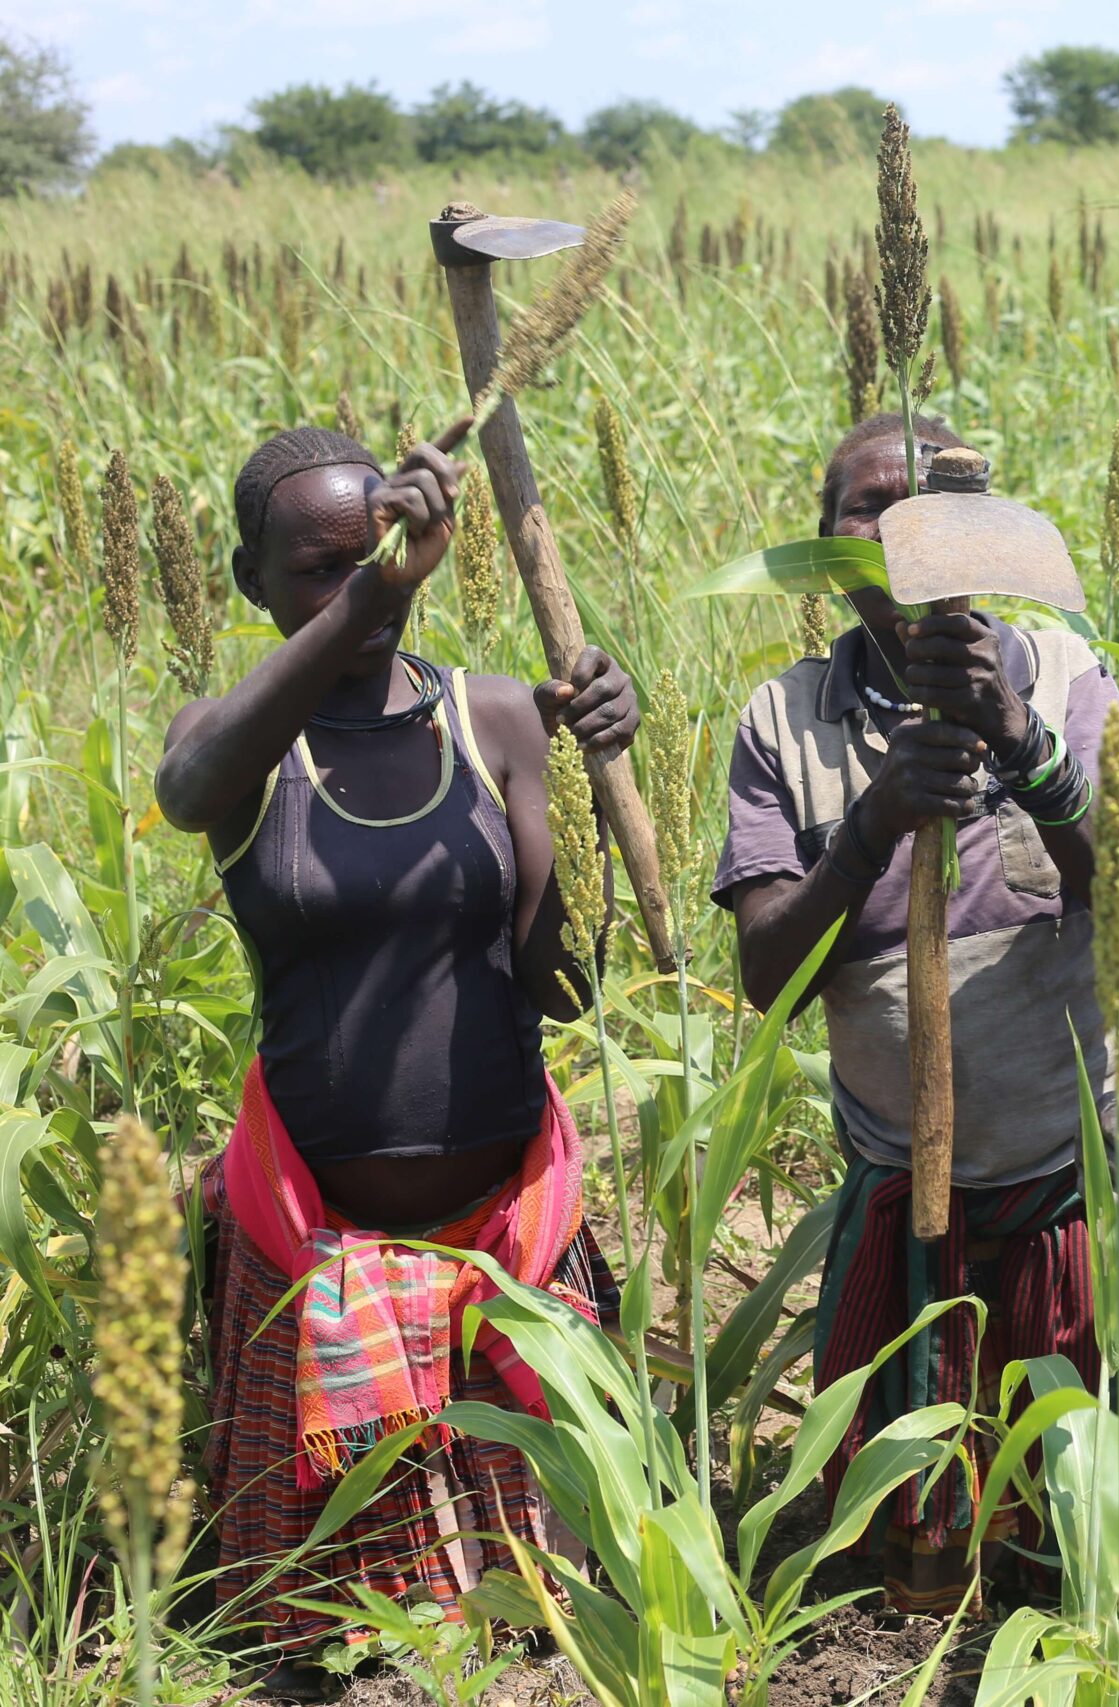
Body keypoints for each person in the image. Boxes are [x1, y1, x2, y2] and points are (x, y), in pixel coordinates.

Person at [715, 411, 1119, 1613]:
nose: (901, 538)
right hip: (910, 1181)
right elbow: (766, 975)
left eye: (927, 506)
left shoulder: (1060, 677)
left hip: (1079, 1173)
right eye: (865, 510)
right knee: (916, 1556)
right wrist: (871, 827)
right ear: (824, 548)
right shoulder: (783, 723)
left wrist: (1020, 744)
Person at [158, 427, 635, 1696]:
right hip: (320, 1243)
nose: (353, 584)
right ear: (252, 583)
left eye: (366, 550)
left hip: (508, 1242)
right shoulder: (240, 745)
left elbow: (564, 986)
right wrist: (383, 584)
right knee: (334, 1648)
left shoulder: (488, 719)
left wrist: (598, 770)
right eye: (314, 569)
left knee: (549, 1628)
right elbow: (187, 792)